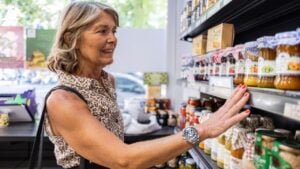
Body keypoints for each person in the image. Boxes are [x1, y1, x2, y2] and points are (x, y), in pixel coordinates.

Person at [45, 1, 250, 169]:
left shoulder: (107, 81)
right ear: (71, 38)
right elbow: (122, 159)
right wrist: (201, 130)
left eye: (114, 31)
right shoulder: (63, 100)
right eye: (102, 31)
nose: (113, 39)